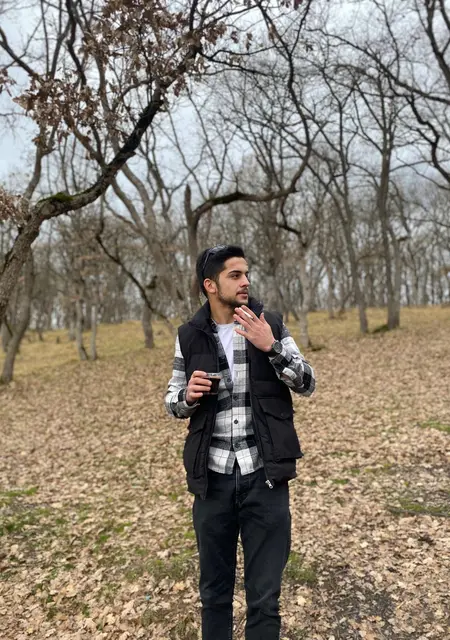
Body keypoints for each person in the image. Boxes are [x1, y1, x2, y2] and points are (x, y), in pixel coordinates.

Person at [165, 245, 316, 640]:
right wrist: (187, 397)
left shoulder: (270, 324)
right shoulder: (189, 335)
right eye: (235, 275)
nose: (245, 281)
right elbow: (172, 399)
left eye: (246, 273)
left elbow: (307, 383)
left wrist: (272, 347)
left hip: (264, 477)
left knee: (265, 599)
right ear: (210, 285)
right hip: (212, 480)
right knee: (214, 595)